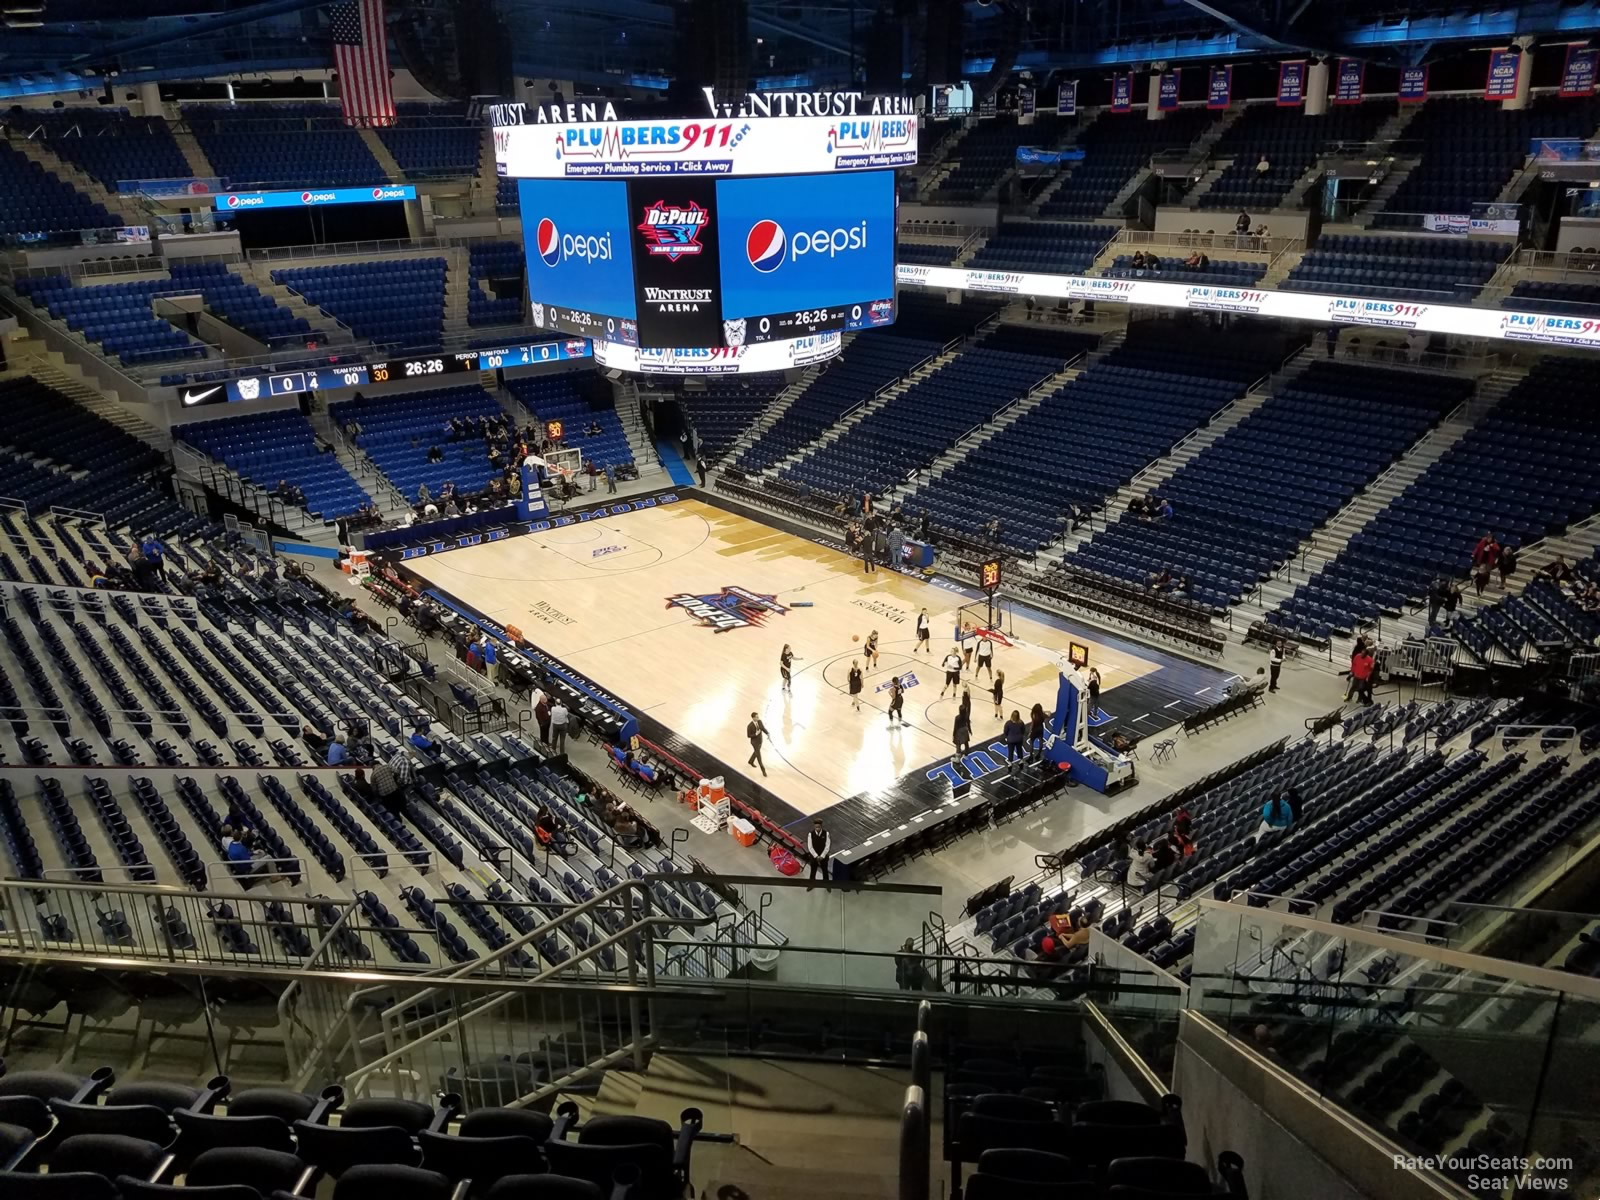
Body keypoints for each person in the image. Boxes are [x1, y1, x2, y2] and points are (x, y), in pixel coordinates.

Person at [806, 817, 832, 886]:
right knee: (813, 871)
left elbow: (827, 846)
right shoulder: (810, 834)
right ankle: (811, 884)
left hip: (823, 857)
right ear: (814, 826)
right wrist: (816, 856)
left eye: (819, 827)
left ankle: (826, 885)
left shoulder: (826, 834)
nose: (817, 828)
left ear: (821, 826)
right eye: (816, 827)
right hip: (814, 857)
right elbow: (810, 847)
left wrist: (822, 856)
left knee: (825, 871)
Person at [746, 711, 770, 776]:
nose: (758, 718)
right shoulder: (749, 726)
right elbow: (748, 735)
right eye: (756, 717)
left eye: (758, 716)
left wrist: (767, 733)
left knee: (756, 752)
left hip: (760, 741)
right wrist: (755, 734)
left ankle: (750, 761)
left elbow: (762, 728)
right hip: (754, 743)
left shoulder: (759, 721)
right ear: (753, 718)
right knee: (759, 756)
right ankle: (763, 770)